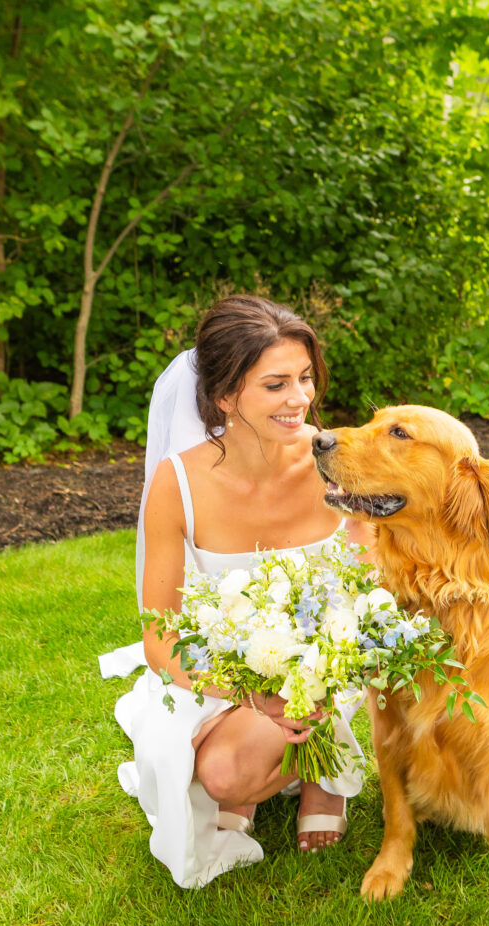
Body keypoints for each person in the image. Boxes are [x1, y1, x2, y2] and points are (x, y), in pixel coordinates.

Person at [100, 295, 370, 888]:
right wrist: (253, 695)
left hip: (335, 657)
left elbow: (369, 577)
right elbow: (161, 636)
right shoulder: (177, 483)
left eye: (304, 378)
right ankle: (276, 760)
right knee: (223, 775)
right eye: (275, 384)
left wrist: (335, 658)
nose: (300, 399)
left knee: (235, 770)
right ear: (225, 397)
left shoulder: (333, 462)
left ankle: (325, 781)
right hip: (229, 666)